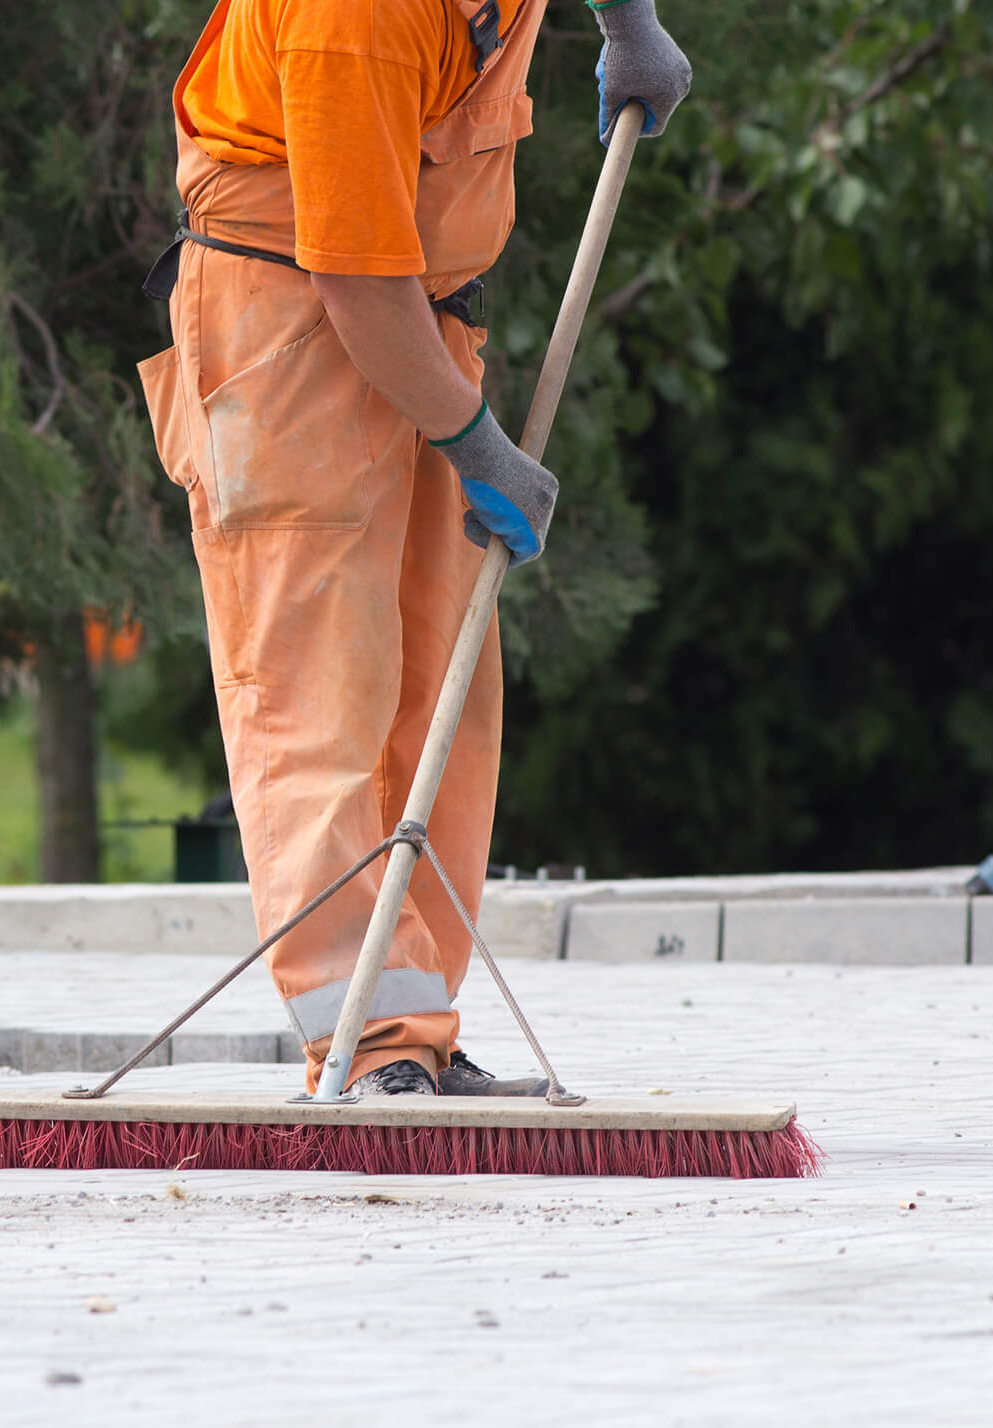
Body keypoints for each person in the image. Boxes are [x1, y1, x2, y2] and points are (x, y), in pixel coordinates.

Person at [138, 0, 690, 1096]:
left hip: (416, 312)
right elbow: (351, 275)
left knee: (442, 688)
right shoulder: (354, 14)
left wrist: (627, 20)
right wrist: (473, 442)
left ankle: (414, 1028)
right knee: (316, 698)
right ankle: (368, 1046)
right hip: (288, 325)